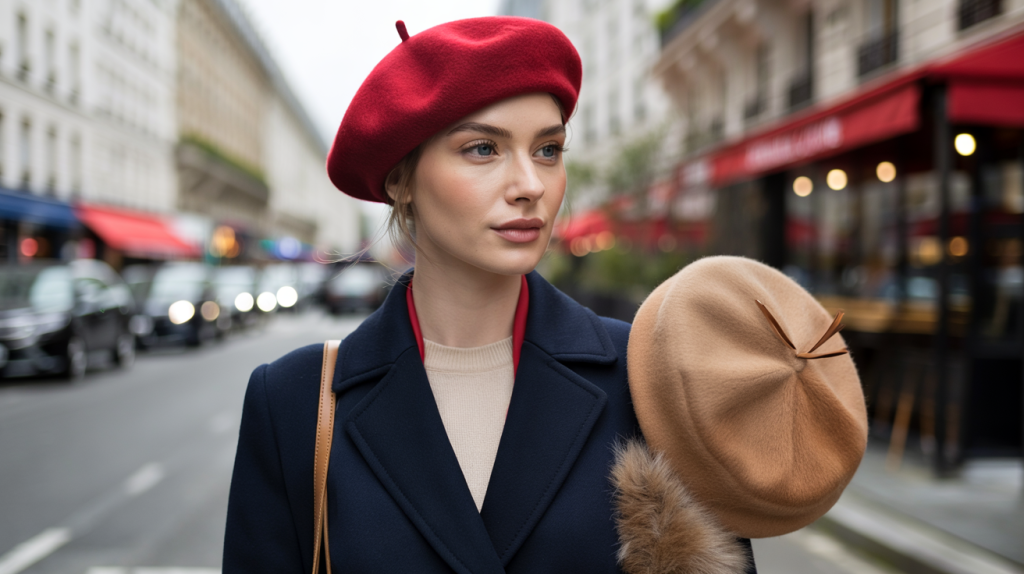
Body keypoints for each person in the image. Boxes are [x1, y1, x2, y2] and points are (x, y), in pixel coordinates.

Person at [223, 17, 757, 573]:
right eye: (483, 148)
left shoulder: (648, 375)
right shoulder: (297, 402)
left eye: (548, 149)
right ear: (401, 180)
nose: (530, 184)